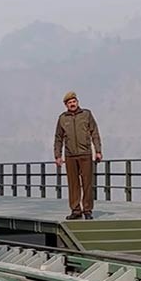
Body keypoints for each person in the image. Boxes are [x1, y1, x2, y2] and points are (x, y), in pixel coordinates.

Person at [53, 91, 102, 220]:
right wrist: (57, 155)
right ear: (66, 104)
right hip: (70, 156)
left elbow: (94, 133)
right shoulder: (62, 118)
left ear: (77, 102)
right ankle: (75, 210)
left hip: (85, 153)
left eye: (74, 101)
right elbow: (58, 138)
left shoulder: (86, 114)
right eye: (69, 103)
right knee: (73, 184)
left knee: (87, 183)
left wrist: (98, 150)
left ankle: (87, 210)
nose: (72, 104)